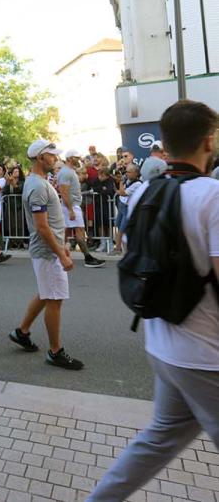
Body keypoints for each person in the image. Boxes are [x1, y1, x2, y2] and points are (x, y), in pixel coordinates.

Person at [88, 100, 219, 500]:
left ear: (164, 143)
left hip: (162, 343)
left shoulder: (145, 190)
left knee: (158, 440)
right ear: (209, 140)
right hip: (206, 356)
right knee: (158, 439)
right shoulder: (212, 196)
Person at [9, 139, 83, 370]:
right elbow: (42, 227)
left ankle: (22, 332)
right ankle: (55, 352)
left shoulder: (38, 182)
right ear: (40, 158)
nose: (55, 159)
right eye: (51, 155)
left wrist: (63, 244)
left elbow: (51, 221)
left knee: (46, 293)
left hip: (49, 250)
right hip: (47, 253)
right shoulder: (38, 186)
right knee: (54, 299)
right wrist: (61, 254)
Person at [57, 150, 105, 268]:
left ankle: (61, 256)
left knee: (67, 232)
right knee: (79, 231)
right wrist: (70, 210)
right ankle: (87, 257)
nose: (78, 159)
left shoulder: (68, 171)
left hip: (71, 206)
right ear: (69, 158)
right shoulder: (66, 172)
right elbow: (64, 192)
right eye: (76, 157)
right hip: (71, 206)